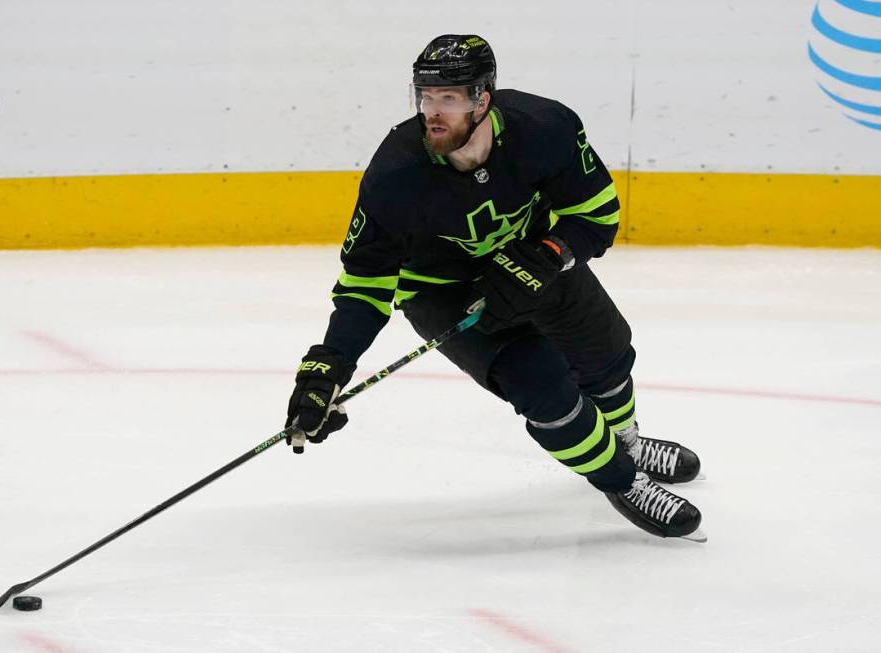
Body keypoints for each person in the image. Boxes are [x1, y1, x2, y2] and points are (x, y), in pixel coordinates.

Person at [283, 34, 704, 540]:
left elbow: (597, 216)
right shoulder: (395, 175)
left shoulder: (545, 129)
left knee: (606, 352)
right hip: (443, 291)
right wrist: (330, 363)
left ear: (484, 99)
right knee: (544, 388)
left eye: (450, 99)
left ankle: (627, 441)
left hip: (536, 261)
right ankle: (622, 479)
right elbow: (366, 284)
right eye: (426, 98)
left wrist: (549, 255)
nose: (433, 113)